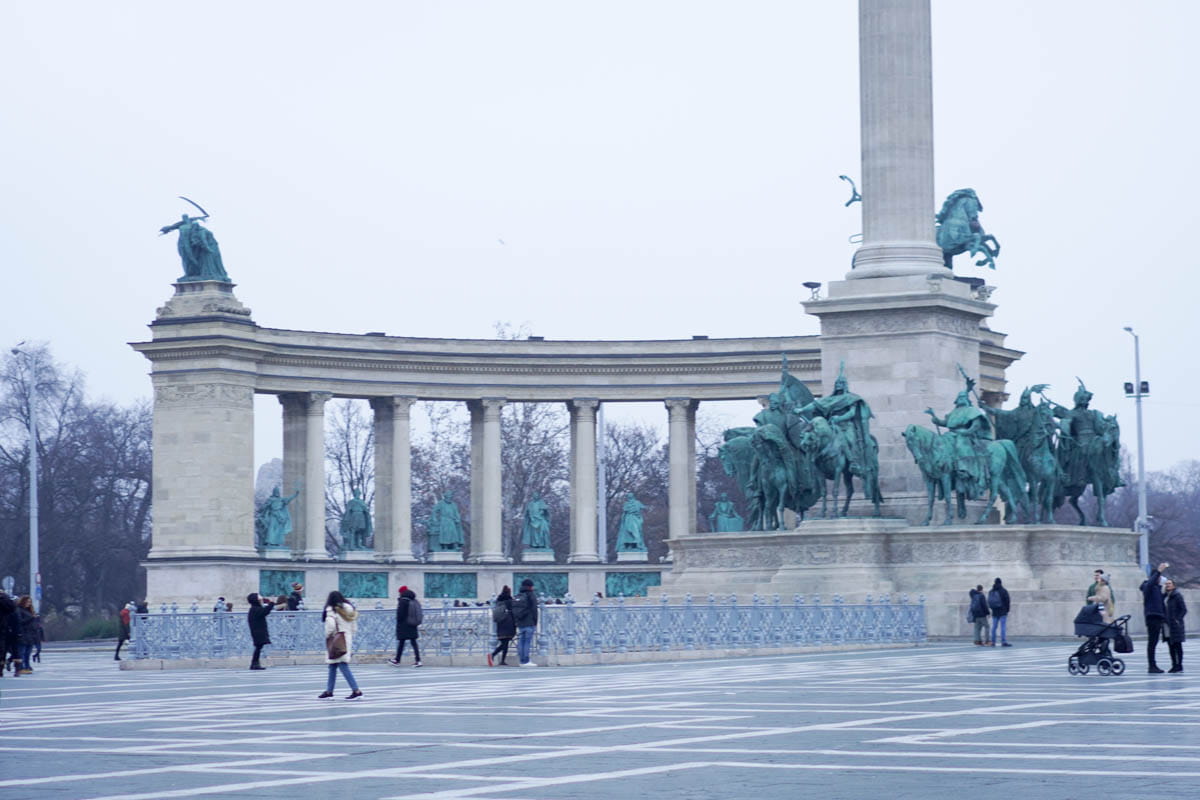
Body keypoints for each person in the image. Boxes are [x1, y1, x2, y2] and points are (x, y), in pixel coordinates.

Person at [319, 591, 362, 699]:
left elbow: (331, 626)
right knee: (332, 665)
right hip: (346, 638)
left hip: (336, 639)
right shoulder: (349, 609)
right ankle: (329, 690)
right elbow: (354, 627)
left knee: (342, 665)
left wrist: (327, 635)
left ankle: (356, 690)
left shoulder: (331, 610)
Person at [1141, 562, 1169, 673]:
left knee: (1154, 641)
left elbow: (1160, 601)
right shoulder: (1148, 586)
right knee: (1152, 642)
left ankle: (1153, 665)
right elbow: (1150, 583)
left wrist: (1166, 593)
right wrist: (1159, 571)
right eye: (1159, 577)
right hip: (1152, 616)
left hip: (1157, 616)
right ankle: (1152, 665)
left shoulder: (1156, 588)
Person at [389, 587, 422, 667]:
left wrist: (398, 620)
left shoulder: (403, 601)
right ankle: (418, 660)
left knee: (401, 643)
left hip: (404, 625)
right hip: (412, 624)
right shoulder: (413, 600)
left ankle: (397, 660)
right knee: (413, 642)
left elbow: (400, 614)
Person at [512, 578, 539, 667]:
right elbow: (534, 609)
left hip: (520, 622)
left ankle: (521, 660)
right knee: (527, 641)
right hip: (529, 621)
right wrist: (535, 621)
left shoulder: (518, 595)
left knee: (521, 641)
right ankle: (526, 660)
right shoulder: (531, 595)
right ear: (530, 586)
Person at [246, 593, 275, 670]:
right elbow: (265, 611)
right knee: (258, 647)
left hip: (258, 630)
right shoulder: (255, 609)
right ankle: (254, 663)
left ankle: (255, 663)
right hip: (258, 631)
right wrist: (271, 603)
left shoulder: (255, 608)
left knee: (259, 646)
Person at [488, 585, 516, 667]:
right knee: (505, 644)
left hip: (500, 623)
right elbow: (513, 611)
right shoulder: (509, 601)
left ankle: (501, 659)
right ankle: (493, 655)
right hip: (508, 623)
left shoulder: (498, 600)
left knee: (504, 643)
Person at [1164, 579, 1187, 673]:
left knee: (1177, 645)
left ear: (1173, 585)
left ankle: (1179, 665)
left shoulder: (1177, 596)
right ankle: (1174, 664)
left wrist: (1177, 619)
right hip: (1167, 624)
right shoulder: (1165, 596)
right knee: (1170, 645)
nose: (1167, 585)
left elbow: (1183, 609)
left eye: (1169, 584)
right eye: (1166, 584)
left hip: (1175, 625)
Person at [13, 596, 36, 675]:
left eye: (30, 602)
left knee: (28, 652)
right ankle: (21, 667)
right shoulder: (19, 610)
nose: (29, 604)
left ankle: (27, 666)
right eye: (27, 602)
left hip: (30, 634)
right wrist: (31, 619)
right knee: (22, 652)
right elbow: (20, 622)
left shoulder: (29, 611)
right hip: (23, 633)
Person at [987, 578, 1011, 646]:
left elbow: (989, 601)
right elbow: (1007, 601)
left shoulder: (991, 591)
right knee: (1003, 626)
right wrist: (1007, 610)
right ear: (1001, 582)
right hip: (1003, 611)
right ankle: (1003, 641)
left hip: (995, 611)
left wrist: (992, 608)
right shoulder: (1003, 591)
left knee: (994, 627)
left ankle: (993, 641)